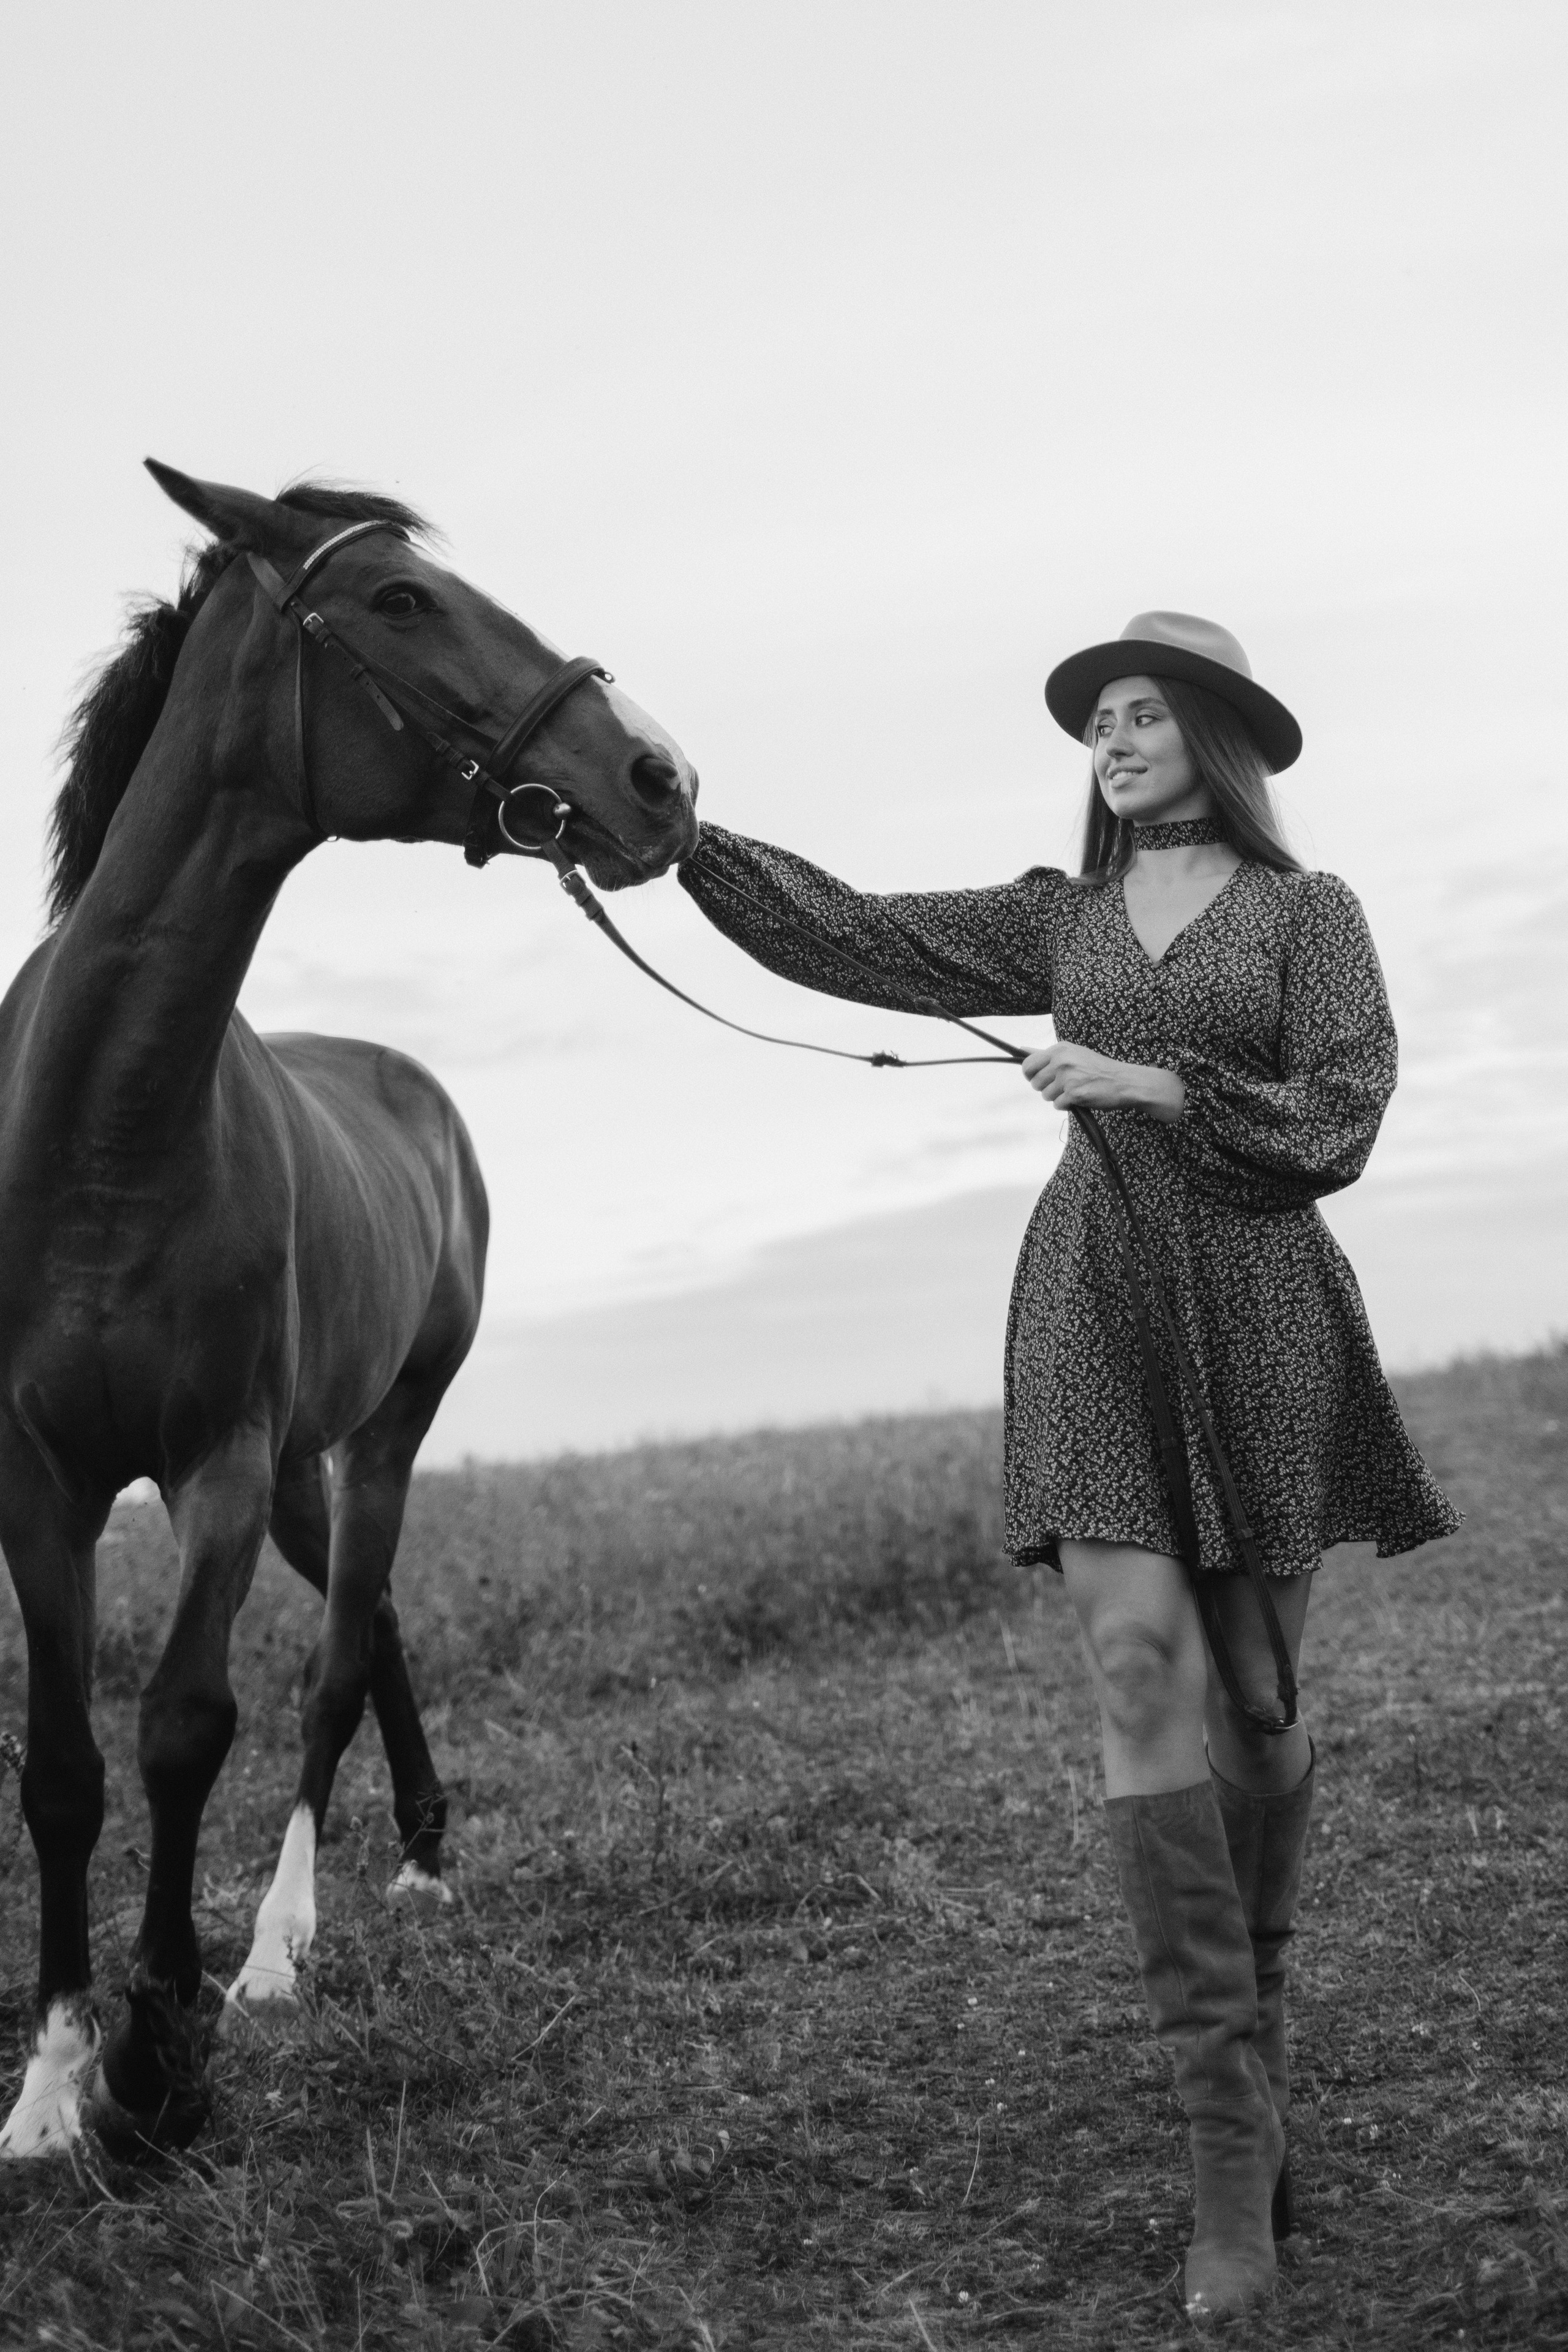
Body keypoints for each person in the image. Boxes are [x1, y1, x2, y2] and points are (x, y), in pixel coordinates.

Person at [677, 610, 1458, 2318]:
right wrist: (681, 839)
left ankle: (1261, 2040)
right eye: (1098, 720)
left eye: (1142, 714)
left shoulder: (1307, 913)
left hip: (1259, 1302)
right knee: (1135, 1664)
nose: (1112, 741)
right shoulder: (1063, 917)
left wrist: (1153, 1081)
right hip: (1093, 1293)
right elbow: (858, 932)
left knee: (1260, 1703)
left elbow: (1348, 1108)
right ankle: (1224, 2146)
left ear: (1213, 737)